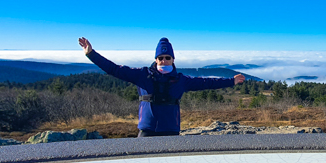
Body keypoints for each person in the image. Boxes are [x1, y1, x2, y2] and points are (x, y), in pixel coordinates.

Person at [78, 37, 244, 137]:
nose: (164, 61)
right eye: (160, 58)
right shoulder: (142, 75)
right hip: (147, 130)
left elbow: (207, 83)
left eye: (167, 57)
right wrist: (91, 54)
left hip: (171, 130)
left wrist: (231, 81)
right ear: (155, 59)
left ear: (173, 60)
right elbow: (113, 69)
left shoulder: (181, 80)